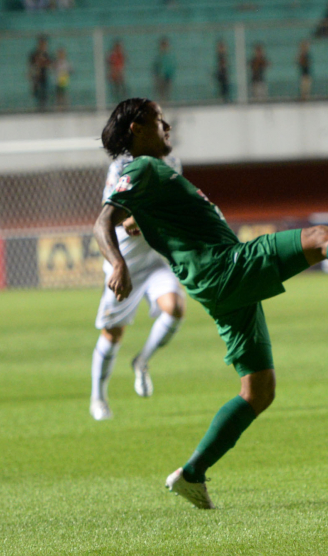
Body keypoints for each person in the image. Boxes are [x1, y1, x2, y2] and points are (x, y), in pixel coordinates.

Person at [94, 98, 328, 509]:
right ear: (136, 128)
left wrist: (141, 222)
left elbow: (136, 217)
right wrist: (117, 263)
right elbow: (102, 221)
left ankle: (192, 474)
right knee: (320, 238)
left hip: (217, 283)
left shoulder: (154, 173)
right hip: (223, 268)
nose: (168, 127)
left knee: (259, 390)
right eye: (159, 121)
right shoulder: (141, 167)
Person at [90, 153, 186, 421]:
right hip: (125, 260)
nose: (165, 129)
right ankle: (98, 397)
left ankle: (142, 361)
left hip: (155, 260)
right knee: (113, 333)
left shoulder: (172, 161)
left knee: (175, 307)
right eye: (158, 122)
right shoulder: (121, 165)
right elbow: (109, 214)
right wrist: (133, 217)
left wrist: (143, 217)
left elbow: (175, 203)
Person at [28, 35, 53, 111]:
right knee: (36, 94)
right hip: (36, 77)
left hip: (44, 77)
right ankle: (37, 109)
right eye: (42, 44)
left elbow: (49, 64)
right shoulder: (34, 54)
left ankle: (44, 108)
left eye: (44, 44)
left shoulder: (47, 54)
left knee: (44, 94)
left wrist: (43, 62)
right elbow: (31, 65)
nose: (43, 46)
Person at [152, 37, 175, 102]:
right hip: (160, 77)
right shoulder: (159, 56)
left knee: (167, 91)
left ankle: (167, 103)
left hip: (168, 76)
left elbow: (171, 66)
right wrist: (157, 76)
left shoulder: (170, 56)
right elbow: (156, 66)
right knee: (161, 92)